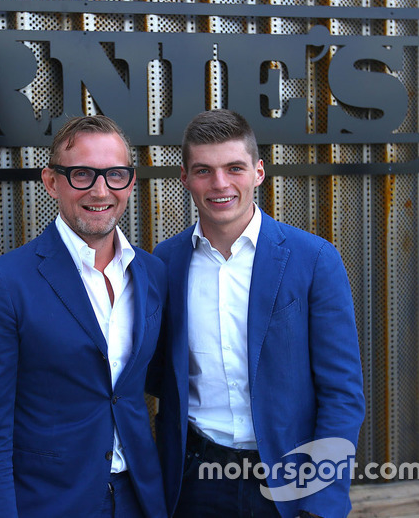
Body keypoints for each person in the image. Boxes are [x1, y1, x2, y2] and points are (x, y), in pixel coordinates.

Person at [148, 109, 365, 518]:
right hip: (193, 480)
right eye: (204, 171)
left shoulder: (314, 259)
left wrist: (323, 500)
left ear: (258, 172)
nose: (220, 184)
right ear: (185, 178)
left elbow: (343, 394)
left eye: (235, 168)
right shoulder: (166, 263)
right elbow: (157, 374)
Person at [0, 115, 169, 518]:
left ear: (131, 181)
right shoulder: (4, 283)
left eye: (115, 175)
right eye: (82, 174)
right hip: (51, 503)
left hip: (140, 499)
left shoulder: (151, 272)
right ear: (52, 182)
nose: (100, 189)